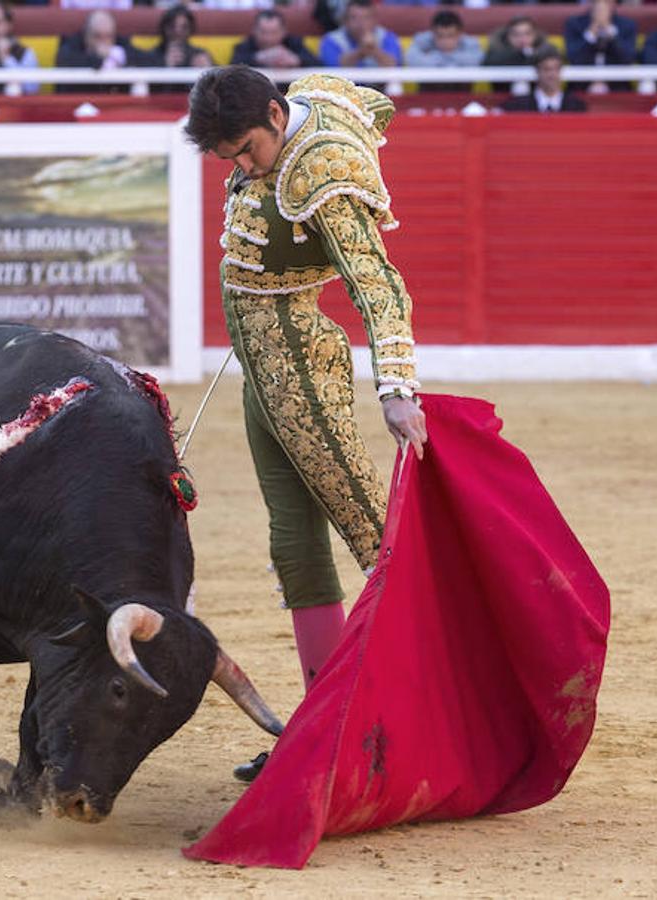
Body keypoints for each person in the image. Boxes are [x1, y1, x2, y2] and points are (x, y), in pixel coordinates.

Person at [184, 65, 427, 783]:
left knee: (376, 542)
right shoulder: (310, 95)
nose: (241, 164)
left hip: (299, 365)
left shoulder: (323, 168)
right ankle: (323, 730)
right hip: (264, 372)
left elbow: (377, 283)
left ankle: (412, 717)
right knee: (293, 545)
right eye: (228, 155)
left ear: (271, 112)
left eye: (247, 149)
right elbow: (369, 100)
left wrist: (395, 385)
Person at [53, 10, 154, 94]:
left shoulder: (119, 43)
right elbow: (66, 61)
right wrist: (97, 59)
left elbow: (146, 59)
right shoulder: (70, 45)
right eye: (97, 36)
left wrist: (122, 58)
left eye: (108, 36)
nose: (104, 42)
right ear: (86, 34)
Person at [563, 0, 638, 93]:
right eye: (597, 3)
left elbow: (628, 59)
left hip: (616, 84)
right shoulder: (574, 24)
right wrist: (590, 34)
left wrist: (611, 32)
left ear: (614, 4)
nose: (601, 8)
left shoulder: (627, 25)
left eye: (606, 3)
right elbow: (573, 59)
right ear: (590, 4)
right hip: (582, 83)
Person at [404, 10, 483, 92]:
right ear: (433, 33)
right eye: (440, 36)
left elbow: (478, 61)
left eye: (450, 36)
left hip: (463, 97)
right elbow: (411, 60)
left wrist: (442, 56)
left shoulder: (471, 43)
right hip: (427, 97)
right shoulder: (421, 40)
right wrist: (448, 58)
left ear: (460, 33)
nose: (445, 41)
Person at [318, 0, 403, 71]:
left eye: (366, 18)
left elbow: (394, 66)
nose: (360, 23)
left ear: (375, 20)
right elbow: (334, 68)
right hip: (343, 89)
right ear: (345, 21)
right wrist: (360, 52)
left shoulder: (387, 37)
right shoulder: (331, 40)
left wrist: (374, 50)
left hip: (380, 89)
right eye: (354, 18)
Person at [146, 6, 214, 95]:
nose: (178, 31)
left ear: (191, 29)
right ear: (164, 28)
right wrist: (163, 65)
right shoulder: (153, 55)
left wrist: (209, 70)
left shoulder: (199, 53)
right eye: (172, 26)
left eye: (184, 27)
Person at [501, 47, 588, 113]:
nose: (551, 74)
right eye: (546, 69)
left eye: (556, 69)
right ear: (537, 72)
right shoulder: (519, 106)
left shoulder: (577, 106)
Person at [482, 16, 549, 96]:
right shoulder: (496, 51)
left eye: (527, 34)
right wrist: (521, 54)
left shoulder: (545, 49)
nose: (522, 39)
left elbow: (553, 59)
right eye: (516, 34)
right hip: (502, 100)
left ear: (535, 35)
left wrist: (532, 55)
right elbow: (487, 63)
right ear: (508, 36)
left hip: (539, 103)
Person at [230, 9, 320, 69]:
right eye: (263, 32)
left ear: (284, 31)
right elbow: (233, 68)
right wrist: (257, 58)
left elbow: (318, 65)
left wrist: (296, 60)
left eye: (274, 32)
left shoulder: (294, 43)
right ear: (254, 31)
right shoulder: (245, 45)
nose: (268, 38)